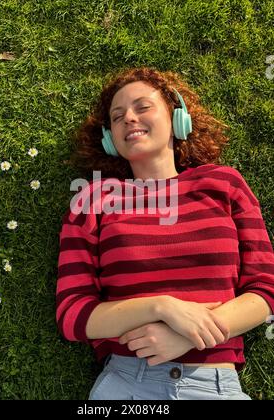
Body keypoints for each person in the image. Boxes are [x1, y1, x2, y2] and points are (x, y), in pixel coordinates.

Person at [56, 66, 274, 400]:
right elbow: (73, 314)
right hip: (128, 383)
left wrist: (188, 337)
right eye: (117, 116)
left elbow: (265, 290)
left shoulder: (224, 184)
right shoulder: (94, 198)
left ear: (178, 119)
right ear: (109, 139)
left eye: (142, 107)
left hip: (215, 385)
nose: (129, 118)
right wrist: (160, 308)